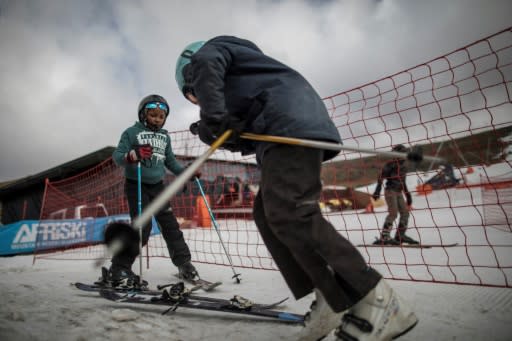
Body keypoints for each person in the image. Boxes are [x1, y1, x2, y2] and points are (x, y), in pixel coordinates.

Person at [174, 36, 418, 341]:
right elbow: (242, 138)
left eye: (194, 95)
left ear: (191, 73)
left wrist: (214, 115)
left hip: (289, 127)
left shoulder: (211, 53)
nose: (199, 102)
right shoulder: (247, 81)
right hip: (280, 133)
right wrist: (215, 129)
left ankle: (374, 296)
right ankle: (330, 294)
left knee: (292, 212)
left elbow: (208, 68)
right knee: (268, 213)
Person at [105, 94, 200, 289]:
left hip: (158, 187)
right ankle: (119, 268)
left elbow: (170, 161)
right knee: (142, 228)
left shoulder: (164, 137)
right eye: (153, 115)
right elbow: (117, 156)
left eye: (161, 116)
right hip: (136, 184)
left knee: (171, 226)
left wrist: (185, 173)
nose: (157, 119)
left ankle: (184, 264)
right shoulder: (131, 133)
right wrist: (133, 155)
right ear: (143, 114)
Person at [372, 144, 418, 245]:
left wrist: (408, 195)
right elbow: (381, 178)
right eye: (403, 153)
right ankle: (384, 236)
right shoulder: (390, 164)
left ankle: (400, 236)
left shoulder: (404, 165)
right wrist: (377, 190)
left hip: (399, 192)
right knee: (393, 213)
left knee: (405, 213)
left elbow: (403, 181)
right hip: (390, 191)